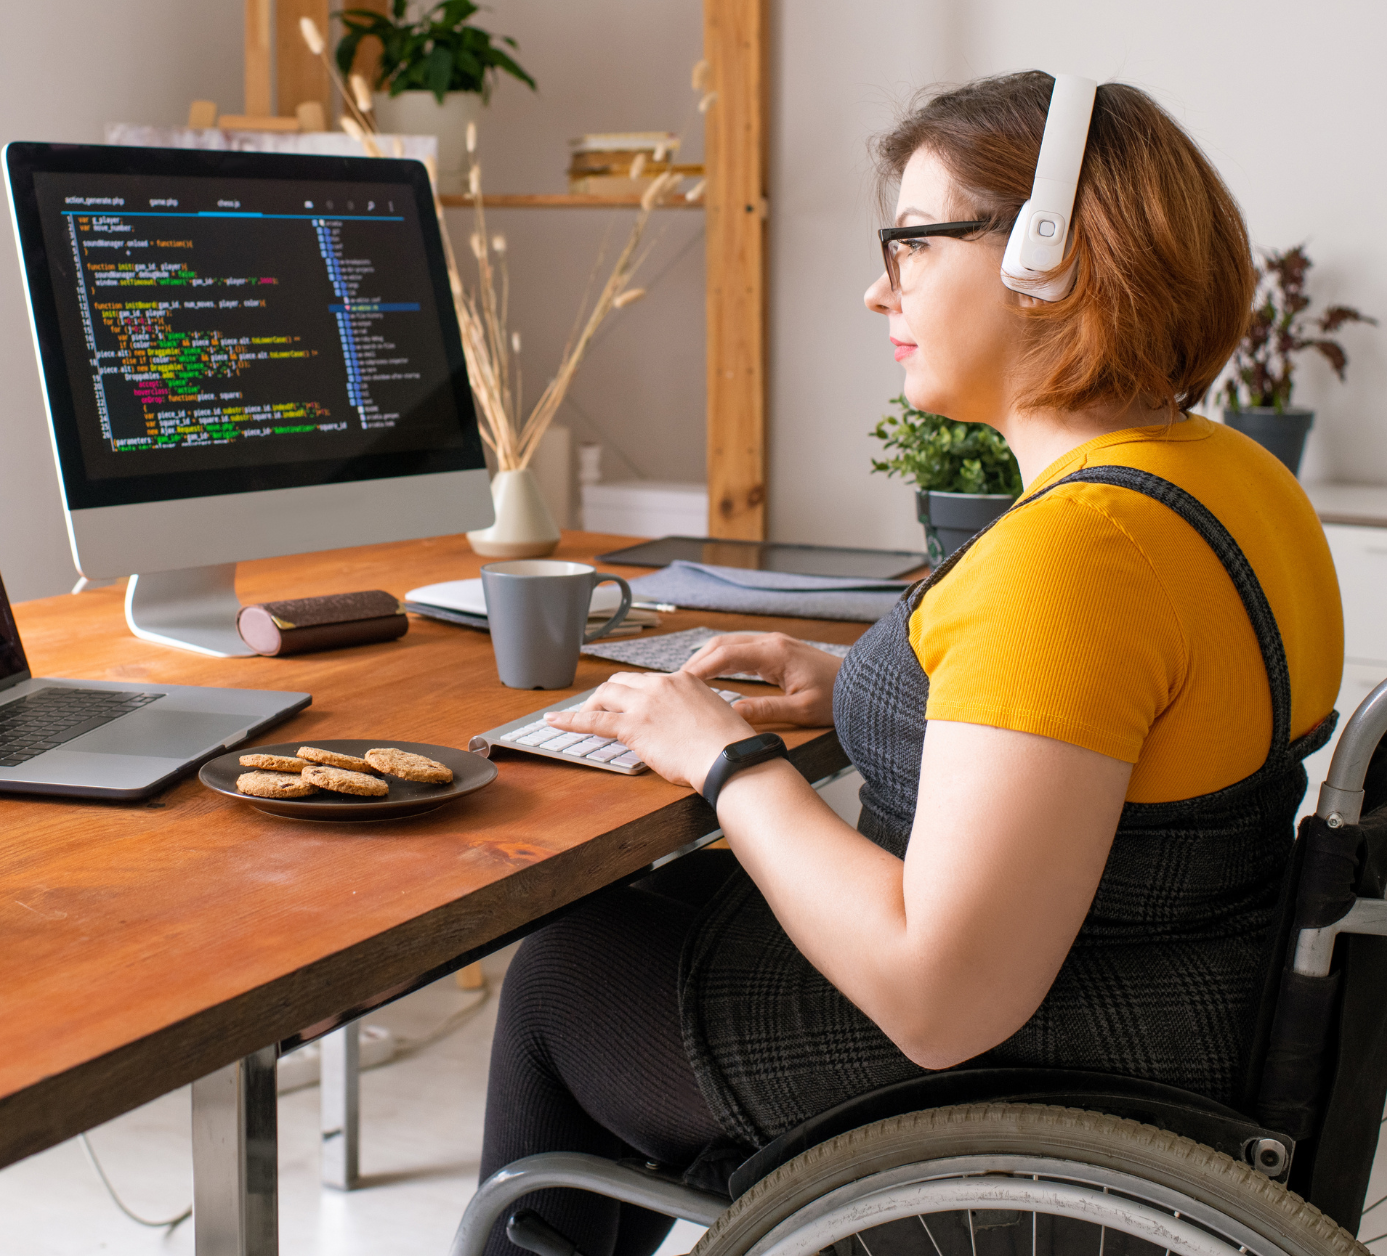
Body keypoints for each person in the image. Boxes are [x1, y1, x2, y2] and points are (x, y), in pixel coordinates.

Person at [474, 71, 1343, 1256]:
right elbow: (1126, 728)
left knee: (566, 975)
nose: (877, 286)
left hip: (1051, 1052)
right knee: (640, 915)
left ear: (1052, 256)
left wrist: (726, 759)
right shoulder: (1228, 476)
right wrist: (860, 685)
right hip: (1179, 993)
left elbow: (943, 998)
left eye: (914, 244)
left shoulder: (1080, 551)